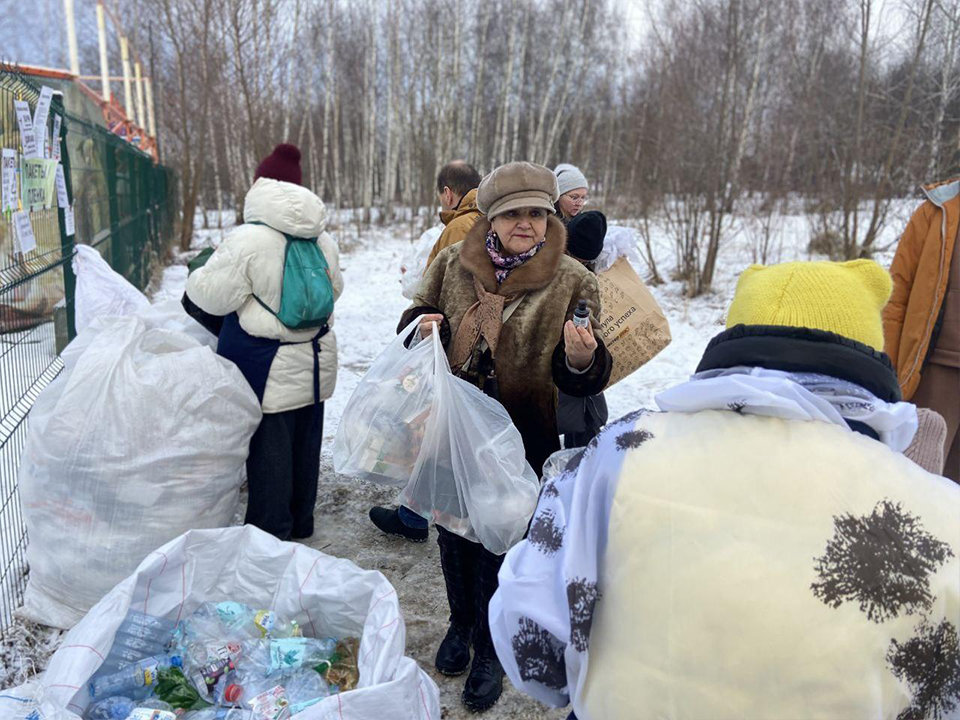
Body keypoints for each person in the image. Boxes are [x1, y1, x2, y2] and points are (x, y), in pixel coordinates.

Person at [491, 260, 960, 720]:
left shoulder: (619, 454)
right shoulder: (942, 515)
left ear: (733, 341)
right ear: (867, 358)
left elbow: (531, 640)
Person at [381, 161, 612, 712]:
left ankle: (488, 648)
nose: (527, 224)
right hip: (448, 427)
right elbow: (414, 317)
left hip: (519, 434)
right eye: (514, 214)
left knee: (497, 540)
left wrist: (582, 360)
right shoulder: (453, 263)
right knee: (451, 533)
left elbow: (584, 372)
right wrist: (422, 326)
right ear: (491, 218)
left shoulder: (574, 279)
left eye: (538, 212)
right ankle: (460, 626)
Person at [185, 144, 344, 541]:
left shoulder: (248, 238)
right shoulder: (322, 239)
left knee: (270, 454)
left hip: (267, 365)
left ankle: (270, 536)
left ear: (261, 185)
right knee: (305, 448)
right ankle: (301, 522)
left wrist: (199, 273)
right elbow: (335, 289)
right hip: (315, 360)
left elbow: (210, 297)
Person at [373, 161, 484, 543]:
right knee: (440, 434)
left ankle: (418, 517)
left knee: (432, 433)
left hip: (449, 343)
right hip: (465, 343)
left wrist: (417, 293)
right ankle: (415, 512)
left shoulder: (458, 225)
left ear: (448, 193)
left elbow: (440, 285)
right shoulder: (485, 220)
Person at [884, 177, 959, 482]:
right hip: (933, 373)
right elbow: (895, 296)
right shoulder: (936, 211)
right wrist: (885, 372)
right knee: (915, 488)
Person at [557, 210, 609, 448]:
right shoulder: (552, 265)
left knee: (583, 422)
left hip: (578, 370)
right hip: (556, 371)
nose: (579, 265)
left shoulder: (588, 278)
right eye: (574, 257)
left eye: (585, 261)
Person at [425, 160, 484, 267]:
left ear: (448, 194)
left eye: (440, 196)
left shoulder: (457, 228)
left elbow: (451, 280)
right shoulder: (491, 218)